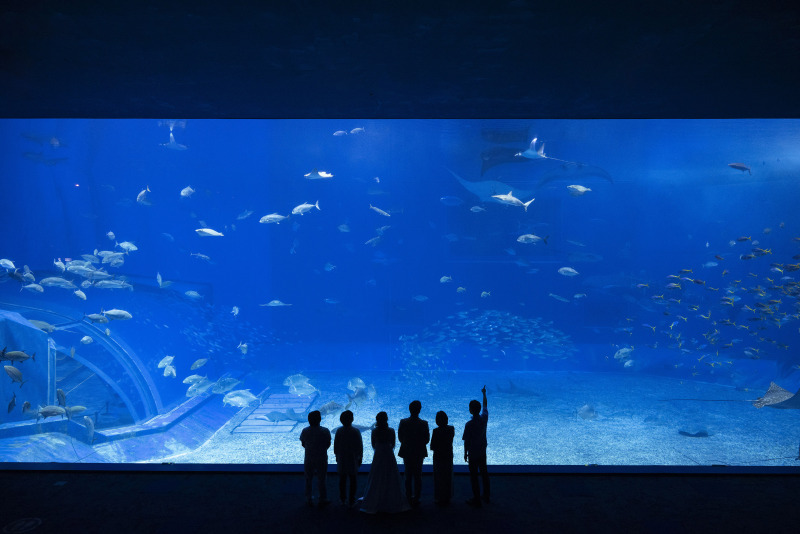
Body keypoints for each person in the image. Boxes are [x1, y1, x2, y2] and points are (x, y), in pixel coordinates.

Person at [359, 412, 410, 514]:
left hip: (378, 453)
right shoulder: (391, 430)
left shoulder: (374, 431)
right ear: (387, 419)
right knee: (391, 474)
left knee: (376, 475)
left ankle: (374, 498)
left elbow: (373, 444)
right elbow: (393, 444)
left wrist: (379, 449)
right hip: (388, 453)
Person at [397, 400, 430, 507]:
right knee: (418, 475)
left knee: (408, 474)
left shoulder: (403, 422)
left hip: (407, 451)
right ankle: (417, 497)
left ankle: (408, 495)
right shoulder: (424, 424)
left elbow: (400, 438)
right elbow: (426, 440)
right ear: (419, 410)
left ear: (409, 409)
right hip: (419, 452)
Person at [463, 385, 489, 507]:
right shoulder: (484, 418)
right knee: (484, 473)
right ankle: (487, 495)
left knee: (474, 476)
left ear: (470, 410)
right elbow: (485, 406)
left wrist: (465, 453)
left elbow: (466, 441)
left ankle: (476, 498)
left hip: (473, 453)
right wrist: (484, 394)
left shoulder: (469, 424)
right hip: (482, 451)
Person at [299, 410, 331, 506]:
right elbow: (328, 444)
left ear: (308, 420)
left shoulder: (305, 430)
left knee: (308, 478)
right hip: (321, 457)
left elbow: (303, 443)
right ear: (320, 419)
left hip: (309, 457)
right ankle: (323, 498)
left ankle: (308, 498)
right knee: (322, 478)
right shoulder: (325, 431)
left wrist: (310, 449)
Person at [333, 410, 363, 507]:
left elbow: (336, 445)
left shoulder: (339, 431)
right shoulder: (356, 431)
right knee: (353, 479)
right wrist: (360, 457)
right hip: (353, 458)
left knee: (342, 479)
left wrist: (336, 456)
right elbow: (360, 446)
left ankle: (342, 499)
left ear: (341, 420)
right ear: (352, 419)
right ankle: (351, 499)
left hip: (342, 458)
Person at [429, 410, 454, 506]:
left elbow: (432, 446)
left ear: (437, 421)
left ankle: (440, 497)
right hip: (448, 455)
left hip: (438, 456)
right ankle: (447, 496)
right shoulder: (451, 429)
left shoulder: (436, 431)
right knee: (447, 476)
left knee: (439, 477)